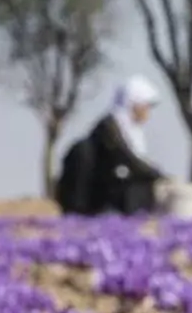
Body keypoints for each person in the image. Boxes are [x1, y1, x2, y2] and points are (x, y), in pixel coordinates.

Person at [56, 75, 167, 216]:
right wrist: (157, 175)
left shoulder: (131, 130)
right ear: (134, 105)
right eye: (146, 106)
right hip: (99, 201)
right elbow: (127, 158)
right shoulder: (110, 128)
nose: (148, 112)